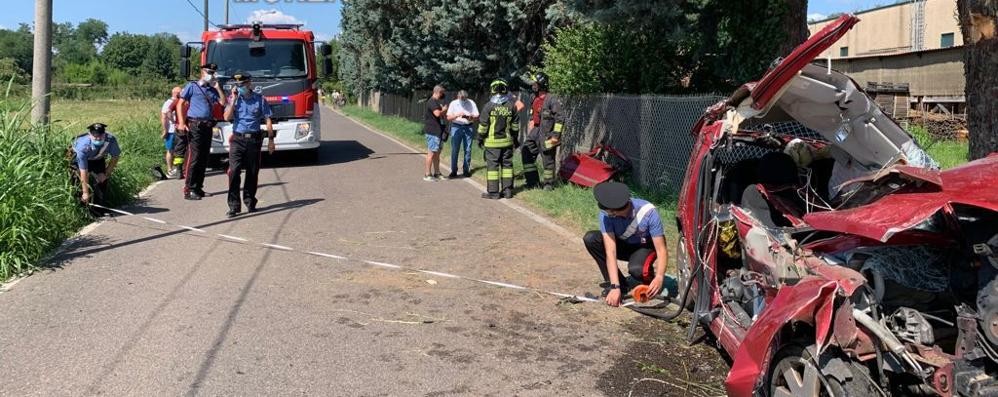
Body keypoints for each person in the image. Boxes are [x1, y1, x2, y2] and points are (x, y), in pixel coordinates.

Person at [583, 181, 669, 307]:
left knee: (637, 270)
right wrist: (615, 286)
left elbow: (661, 250)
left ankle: (649, 282)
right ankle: (620, 285)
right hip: (623, 245)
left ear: (615, 211)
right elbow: (610, 252)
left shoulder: (649, 213)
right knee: (591, 238)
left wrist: (660, 277)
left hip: (644, 247)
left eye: (610, 213)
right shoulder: (605, 215)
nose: (608, 214)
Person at [223, 72, 275, 218]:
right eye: (238, 85)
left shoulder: (260, 99)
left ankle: (250, 201)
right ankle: (234, 206)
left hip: (253, 140)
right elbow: (226, 117)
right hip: (237, 139)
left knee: (252, 172)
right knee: (233, 171)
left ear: (249, 84)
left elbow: (268, 119)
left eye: (243, 84)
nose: (240, 87)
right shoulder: (234, 99)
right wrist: (233, 100)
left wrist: (271, 140)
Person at [176, 63, 226, 200]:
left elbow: (223, 102)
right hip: (195, 125)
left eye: (213, 72)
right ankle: (189, 189)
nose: (212, 74)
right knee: (195, 157)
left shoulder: (212, 90)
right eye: (209, 72)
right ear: (203, 72)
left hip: (207, 126)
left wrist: (218, 87)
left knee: (204, 158)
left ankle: (198, 187)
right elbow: (180, 104)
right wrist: (181, 122)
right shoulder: (192, 87)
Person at [521, 72, 564, 191]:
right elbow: (532, 112)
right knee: (526, 152)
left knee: (548, 160)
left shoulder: (552, 99)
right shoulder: (533, 97)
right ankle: (532, 182)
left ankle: (548, 185)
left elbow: (560, 119)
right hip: (535, 132)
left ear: (541, 84)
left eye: (535, 83)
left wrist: (555, 136)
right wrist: (531, 121)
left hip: (548, 135)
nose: (533, 86)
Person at [477, 79, 519, 199]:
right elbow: (515, 127)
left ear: (492, 90)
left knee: (493, 168)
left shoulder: (488, 106)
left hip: (492, 144)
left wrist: (480, 138)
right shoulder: (511, 106)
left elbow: (483, 126)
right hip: (507, 143)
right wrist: (515, 139)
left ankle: (494, 192)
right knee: (507, 166)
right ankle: (508, 191)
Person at [71, 123, 121, 207]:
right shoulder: (83, 146)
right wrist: (85, 192)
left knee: (102, 180)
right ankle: (81, 206)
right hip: (78, 160)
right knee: (79, 181)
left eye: (100, 135)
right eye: (95, 136)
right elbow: (84, 171)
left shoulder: (110, 140)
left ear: (104, 134)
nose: (98, 138)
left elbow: (115, 157)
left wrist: (106, 173)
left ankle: (99, 208)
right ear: (90, 135)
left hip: (97, 158)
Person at [446, 90, 479, 178]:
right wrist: (457, 115)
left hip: (468, 127)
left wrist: (470, 117)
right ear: (458, 96)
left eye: (465, 98)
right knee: (455, 149)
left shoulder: (471, 103)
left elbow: (476, 116)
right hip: (456, 126)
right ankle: (453, 170)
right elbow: (448, 117)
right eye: (462, 98)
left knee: (468, 149)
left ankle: (466, 170)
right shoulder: (453, 103)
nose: (463, 100)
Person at [423, 85, 448, 181]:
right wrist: (444, 110)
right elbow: (437, 113)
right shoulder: (432, 101)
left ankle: (437, 173)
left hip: (439, 131)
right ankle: (427, 174)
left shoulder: (436, 102)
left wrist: (443, 110)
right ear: (438, 92)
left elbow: (440, 115)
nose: (443, 95)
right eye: (442, 93)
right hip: (433, 131)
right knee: (431, 153)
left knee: (437, 153)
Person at [161, 86, 182, 179]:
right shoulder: (168, 103)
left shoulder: (179, 102)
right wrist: (165, 130)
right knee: (170, 150)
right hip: (171, 130)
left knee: (178, 150)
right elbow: (164, 117)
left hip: (178, 130)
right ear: (176, 93)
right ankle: (169, 169)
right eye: (181, 92)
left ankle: (177, 168)